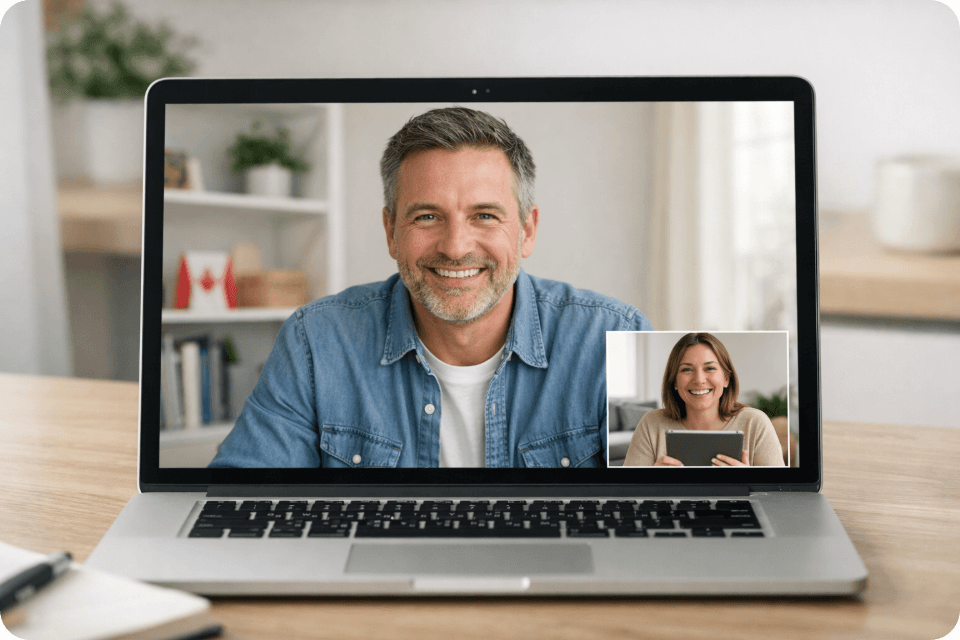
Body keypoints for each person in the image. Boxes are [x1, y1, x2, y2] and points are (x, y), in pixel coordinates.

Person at [210, 106, 651, 469]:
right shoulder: (316, 341)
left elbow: (660, 506)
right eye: (426, 217)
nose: (456, 248)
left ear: (527, 231)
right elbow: (237, 499)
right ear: (391, 231)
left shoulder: (616, 338)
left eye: (485, 215)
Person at [622, 332, 785, 467]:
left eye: (710, 368)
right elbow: (624, 492)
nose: (699, 379)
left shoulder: (755, 423)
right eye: (686, 369)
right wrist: (650, 481)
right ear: (674, 382)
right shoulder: (651, 424)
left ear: (726, 378)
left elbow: (780, 496)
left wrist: (748, 481)